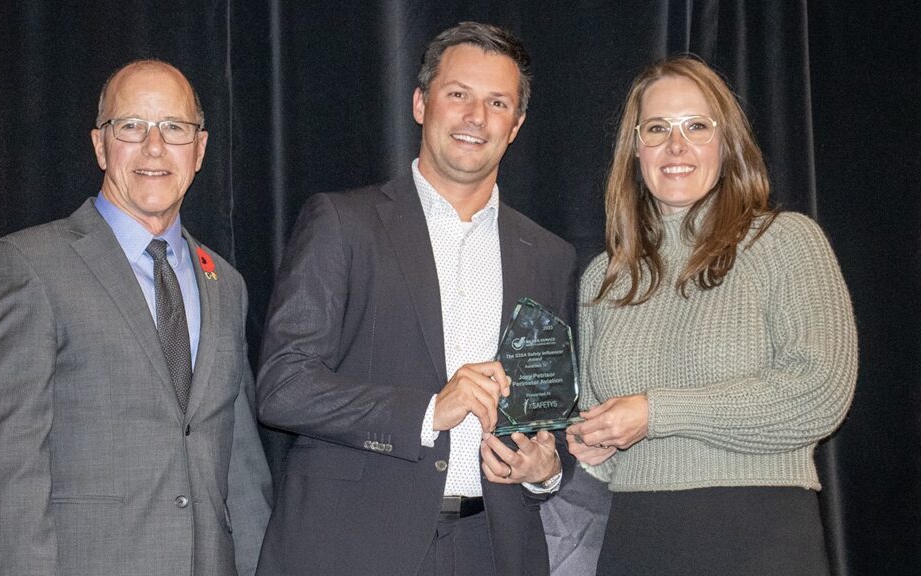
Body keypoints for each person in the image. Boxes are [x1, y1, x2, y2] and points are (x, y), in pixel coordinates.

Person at [256, 22, 588, 576]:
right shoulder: (342, 223)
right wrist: (430, 410)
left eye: (497, 102)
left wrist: (544, 467)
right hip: (351, 546)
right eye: (458, 94)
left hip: (493, 548)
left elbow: (552, 410)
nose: (475, 117)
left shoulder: (548, 256)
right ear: (419, 103)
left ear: (516, 126)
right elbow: (283, 387)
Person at [0, 59, 271, 576]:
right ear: (100, 145)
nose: (155, 147)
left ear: (199, 151)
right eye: (131, 126)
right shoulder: (30, 266)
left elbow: (240, 468)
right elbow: (7, 469)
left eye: (174, 128)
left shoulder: (226, 284)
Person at [566, 55, 858, 576]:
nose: (676, 147)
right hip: (637, 540)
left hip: (758, 538)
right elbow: (608, 445)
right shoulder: (603, 279)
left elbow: (819, 394)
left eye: (696, 126)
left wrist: (656, 413)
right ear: (635, 149)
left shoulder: (786, 242)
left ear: (726, 143)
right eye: (657, 129)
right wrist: (585, 444)